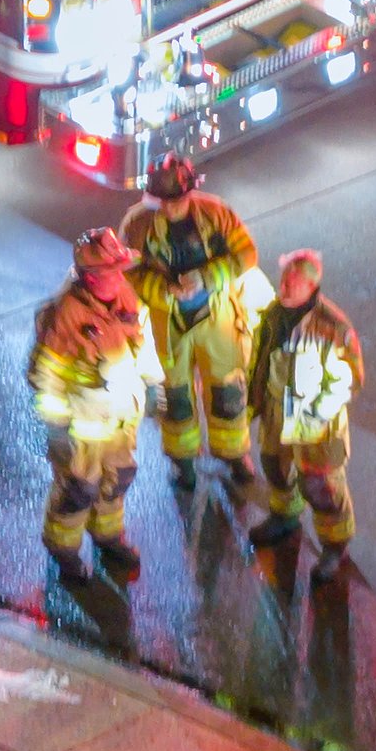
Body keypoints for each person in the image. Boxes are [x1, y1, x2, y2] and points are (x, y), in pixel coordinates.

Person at [120, 157, 263, 497]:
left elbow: (246, 254)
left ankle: (234, 455)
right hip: (169, 322)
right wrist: (164, 290)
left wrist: (207, 277)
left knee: (227, 391)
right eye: (164, 201)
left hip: (217, 317)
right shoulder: (137, 224)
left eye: (178, 200)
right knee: (176, 396)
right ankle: (183, 462)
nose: (171, 208)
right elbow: (129, 271)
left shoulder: (217, 213)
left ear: (190, 192)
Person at [31, 227, 162, 587]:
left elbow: (143, 344)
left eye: (120, 269)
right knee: (78, 491)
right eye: (110, 272)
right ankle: (64, 550)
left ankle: (107, 536)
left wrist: (153, 383)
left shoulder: (127, 298)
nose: (119, 277)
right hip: (83, 431)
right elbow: (47, 375)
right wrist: (57, 426)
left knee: (117, 482)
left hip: (121, 422)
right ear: (90, 277)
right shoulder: (66, 315)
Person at [245, 248, 364, 559]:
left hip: (315, 423)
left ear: (311, 287)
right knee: (275, 467)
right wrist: (253, 399)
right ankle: (284, 517)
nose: (283, 286)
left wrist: (315, 415)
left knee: (321, 487)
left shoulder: (332, 327)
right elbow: (260, 359)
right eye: (283, 278)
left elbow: (349, 380)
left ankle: (334, 546)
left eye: (293, 282)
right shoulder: (274, 314)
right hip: (276, 411)